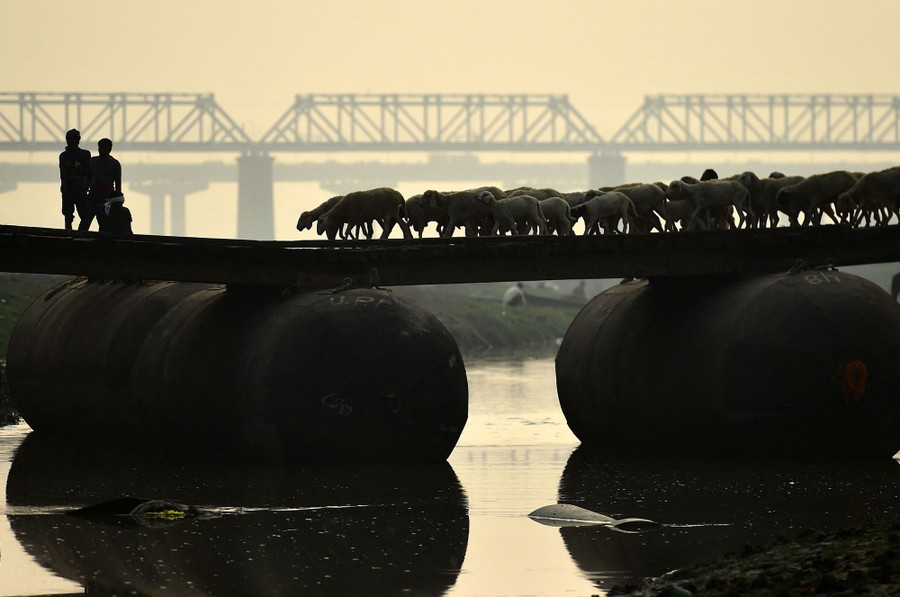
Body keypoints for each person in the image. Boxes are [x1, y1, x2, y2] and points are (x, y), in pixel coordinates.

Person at [58, 129, 92, 230]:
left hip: (80, 187)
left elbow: (88, 172)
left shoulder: (85, 154)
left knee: (85, 214)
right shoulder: (64, 156)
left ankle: (81, 232)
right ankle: (69, 232)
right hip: (69, 187)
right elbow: (63, 173)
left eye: (73, 139)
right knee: (68, 215)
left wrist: (86, 186)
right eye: (69, 139)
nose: (71, 141)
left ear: (78, 140)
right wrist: (64, 185)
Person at [86, 138, 122, 230]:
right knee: (86, 220)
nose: (100, 150)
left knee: (103, 222)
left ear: (109, 149)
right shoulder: (93, 161)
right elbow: (87, 178)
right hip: (94, 195)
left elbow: (118, 184)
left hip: (106, 197)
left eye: (102, 148)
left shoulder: (114, 164)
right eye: (99, 147)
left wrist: (117, 199)